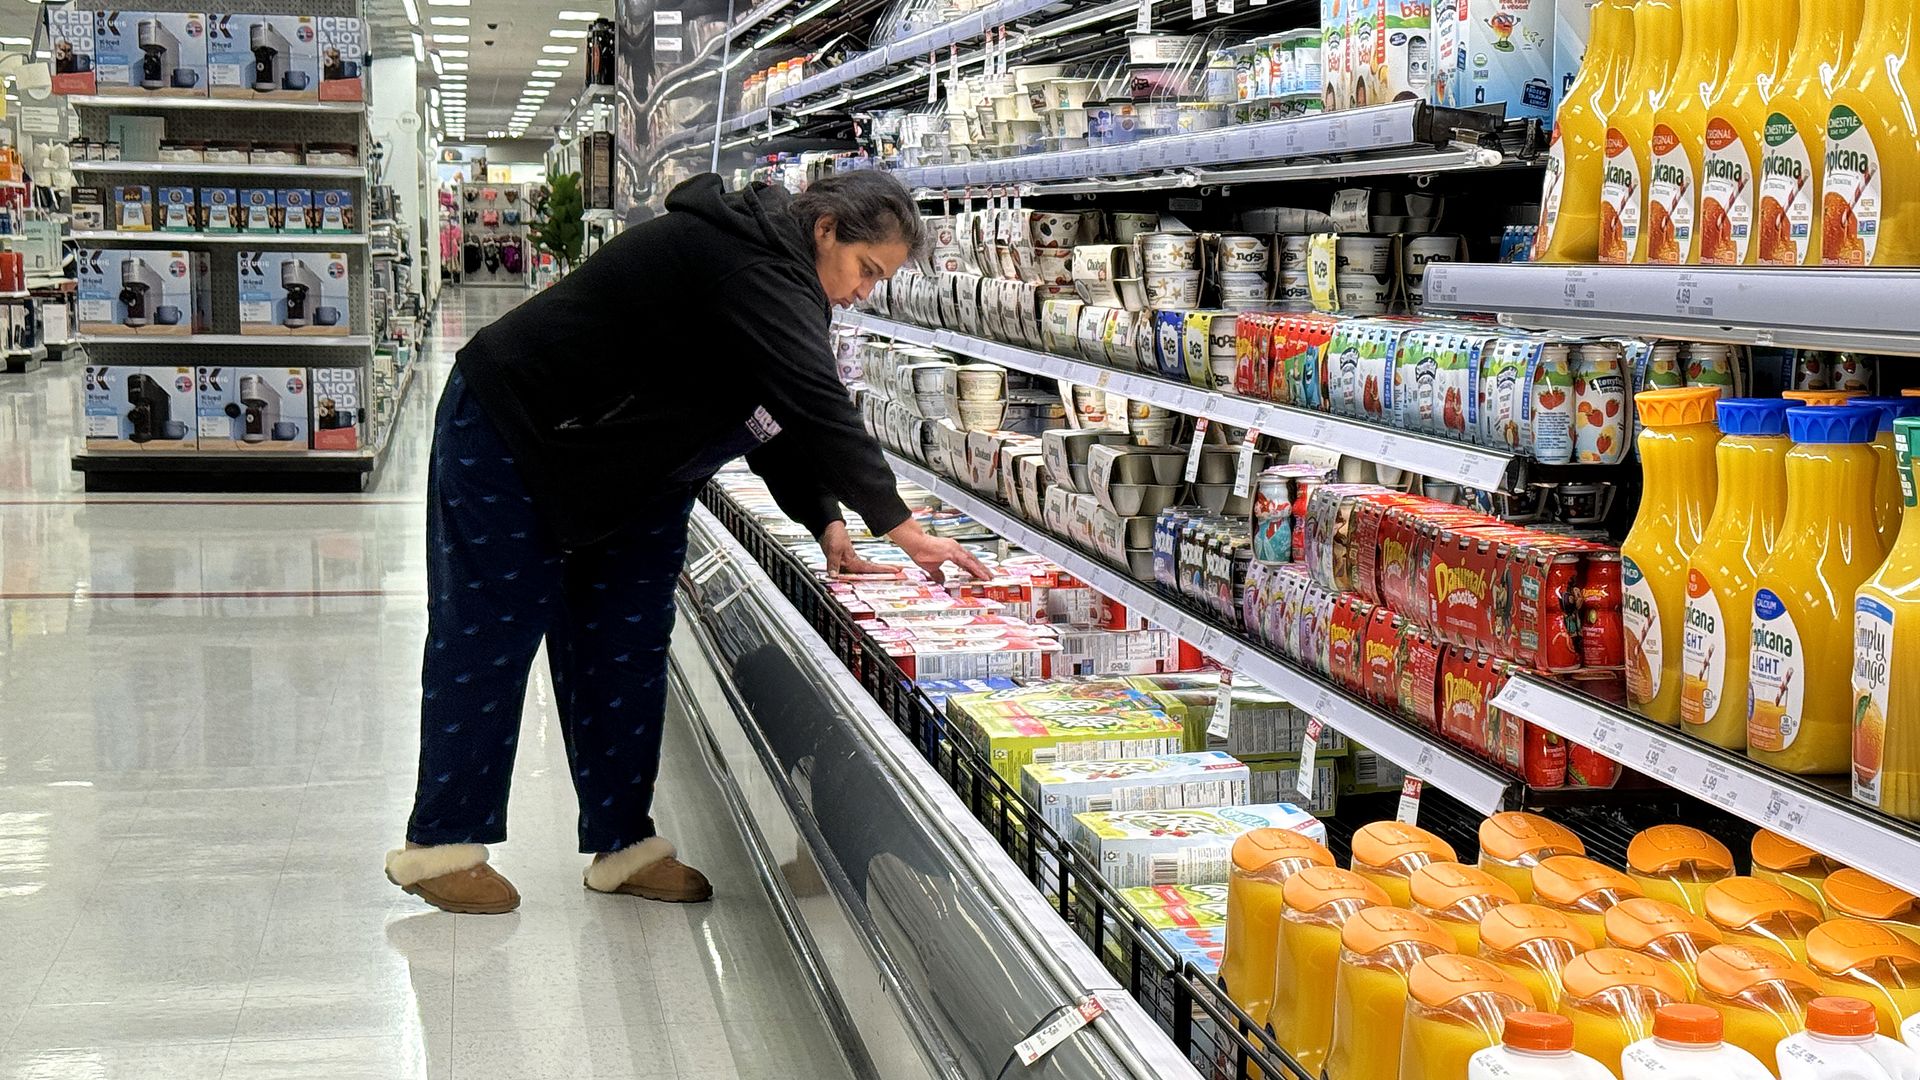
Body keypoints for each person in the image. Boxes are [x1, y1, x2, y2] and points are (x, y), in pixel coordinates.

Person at [384, 171, 989, 914]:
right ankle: (440, 846)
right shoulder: (746, 258)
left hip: (636, 470)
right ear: (826, 228)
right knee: (490, 633)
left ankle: (623, 843)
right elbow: (815, 398)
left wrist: (824, 518)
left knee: (625, 647)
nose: (864, 292)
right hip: (519, 433)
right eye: (866, 270)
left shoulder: (787, 284)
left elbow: (775, 413)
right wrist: (898, 523)